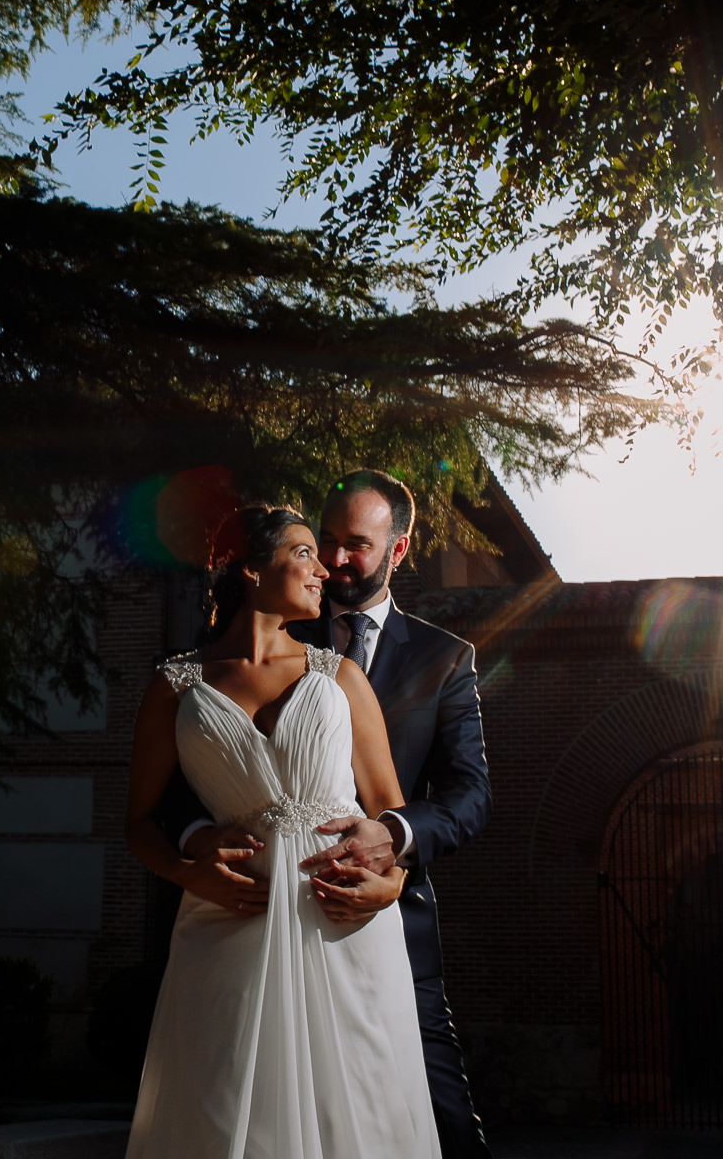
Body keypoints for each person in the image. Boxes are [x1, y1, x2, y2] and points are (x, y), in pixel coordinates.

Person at [175, 470, 494, 1159]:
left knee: (440, 1129)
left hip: (388, 927)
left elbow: (470, 796)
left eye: (357, 544)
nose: (335, 561)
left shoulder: (445, 660)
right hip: (249, 928)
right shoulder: (264, 624)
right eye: (325, 543)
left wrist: (396, 845)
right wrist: (200, 842)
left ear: (399, 549)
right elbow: (175, 783)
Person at [123, 504, 441, 1158]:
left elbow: (390, 816)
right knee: (221, 1110)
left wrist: (391, 889)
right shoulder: (176, 687)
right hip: (227, 926)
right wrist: (188, 872)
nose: (324, 567)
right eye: (303, 552)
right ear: (248, 566)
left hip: (346, 928)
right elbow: (138, 823)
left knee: (360, 1109)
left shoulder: (342, 679)